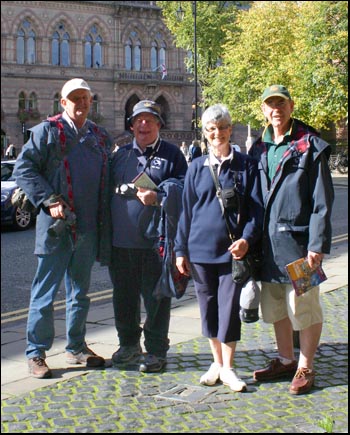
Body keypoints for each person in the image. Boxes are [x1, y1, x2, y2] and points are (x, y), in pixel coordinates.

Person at [13, 78, 113, 379]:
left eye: (86, 98)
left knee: (80, 293)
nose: (81, 103)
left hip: (86, 229)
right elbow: (23, 169)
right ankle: (35, 353)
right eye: (75, 98)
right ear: (63, 102)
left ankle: (76, 347)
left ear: (91, 102)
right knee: (44, 294)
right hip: (56, 227)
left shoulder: (99, 136)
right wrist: (48, 199)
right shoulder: (46, 132)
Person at [248, 85, 334, 395]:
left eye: (281, 104)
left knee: (305, 308)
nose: (276, 110)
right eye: (270, 105)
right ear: (263, 110)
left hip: (300, 246)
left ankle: (305, 365)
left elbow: (322, 201)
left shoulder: (309, 146)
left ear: (291, 106)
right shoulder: (259, 149)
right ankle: (286, 359)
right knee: (276, 309)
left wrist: (317, 245)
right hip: (269, 247)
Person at [175, 104, 264, 392]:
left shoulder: (245, 165)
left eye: (222, 128)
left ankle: (228, 367)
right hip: (199, 252)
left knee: (228, 310)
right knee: (208, 309)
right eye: (211, 129)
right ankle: (216, 363)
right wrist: (180, 250)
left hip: (232, 252)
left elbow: (255, 210)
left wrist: (246, 240)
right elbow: (185, 212)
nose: (217, 134)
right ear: (205, 133)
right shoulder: (195, 168)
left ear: (230, 129)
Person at [109, 100, 188, 373]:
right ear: (131, 125)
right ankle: (129, 345)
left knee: (156, 299)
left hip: (157, 243)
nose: (144, 125)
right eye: (139, 120)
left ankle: (155, 351)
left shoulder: (173, 154)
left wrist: (160, 195)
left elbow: (183, 188)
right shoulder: (120, 156)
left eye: (150, 120)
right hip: (121, 243)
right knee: (124, 297)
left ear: (159, 125)